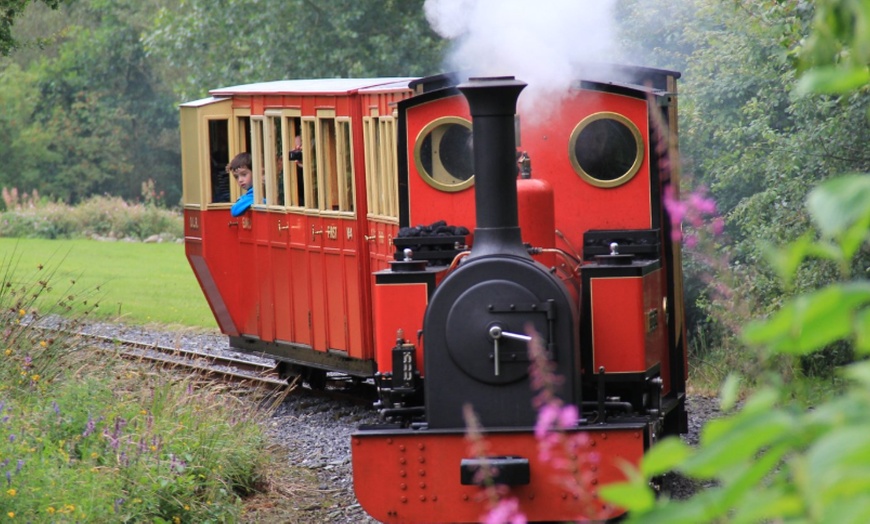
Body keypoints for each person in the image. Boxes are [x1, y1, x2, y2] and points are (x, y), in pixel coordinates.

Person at [229, 152, 254, 216]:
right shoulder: (250, 194)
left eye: (244, 174)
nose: (240, 180)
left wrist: (242, 199)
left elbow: (234, 210)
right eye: (236, 177)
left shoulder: (254, 195)